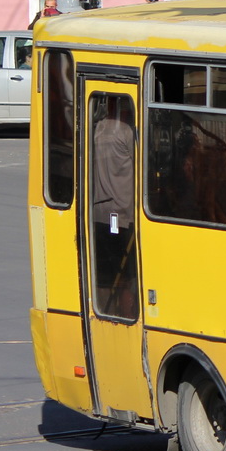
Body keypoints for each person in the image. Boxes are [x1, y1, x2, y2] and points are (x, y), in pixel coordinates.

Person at [91, 96, 137, 317]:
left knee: (105, 276)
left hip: (99, 213)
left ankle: (106, 316)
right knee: (127, 278)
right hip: (121, 215)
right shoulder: (126, 132)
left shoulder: (97, 130)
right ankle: (124, 317)